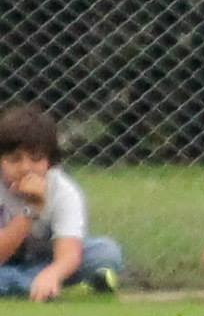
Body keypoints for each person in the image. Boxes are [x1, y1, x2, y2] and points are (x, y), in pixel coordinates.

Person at [0, 105, 122, 300]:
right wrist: (31, 210)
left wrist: (53, 274)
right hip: (4, 263)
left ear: (49, 161)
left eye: (36, 159)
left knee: (106, 252)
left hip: (45, 260)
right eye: (15, 159)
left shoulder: (63, 190)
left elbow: (68, 252)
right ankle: (48, 288)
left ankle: (37, 285)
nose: (25, 168)